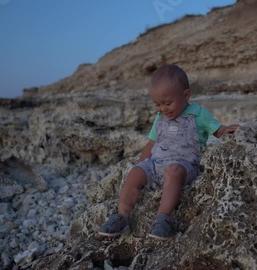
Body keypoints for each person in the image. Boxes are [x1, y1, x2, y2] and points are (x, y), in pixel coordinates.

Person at [98, 64, 239, 240]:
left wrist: (226, 131)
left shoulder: (198, 114)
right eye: (158, 104)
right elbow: (152, 142)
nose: (163, 109)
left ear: (186, 95)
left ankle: (163, 218)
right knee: (135, 173)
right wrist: (141, 163)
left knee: (173, 171)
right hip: (156, 164)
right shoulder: (160, 117)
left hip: (184, 166)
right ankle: (122, 216)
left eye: (167, 103)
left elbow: (217, 130)